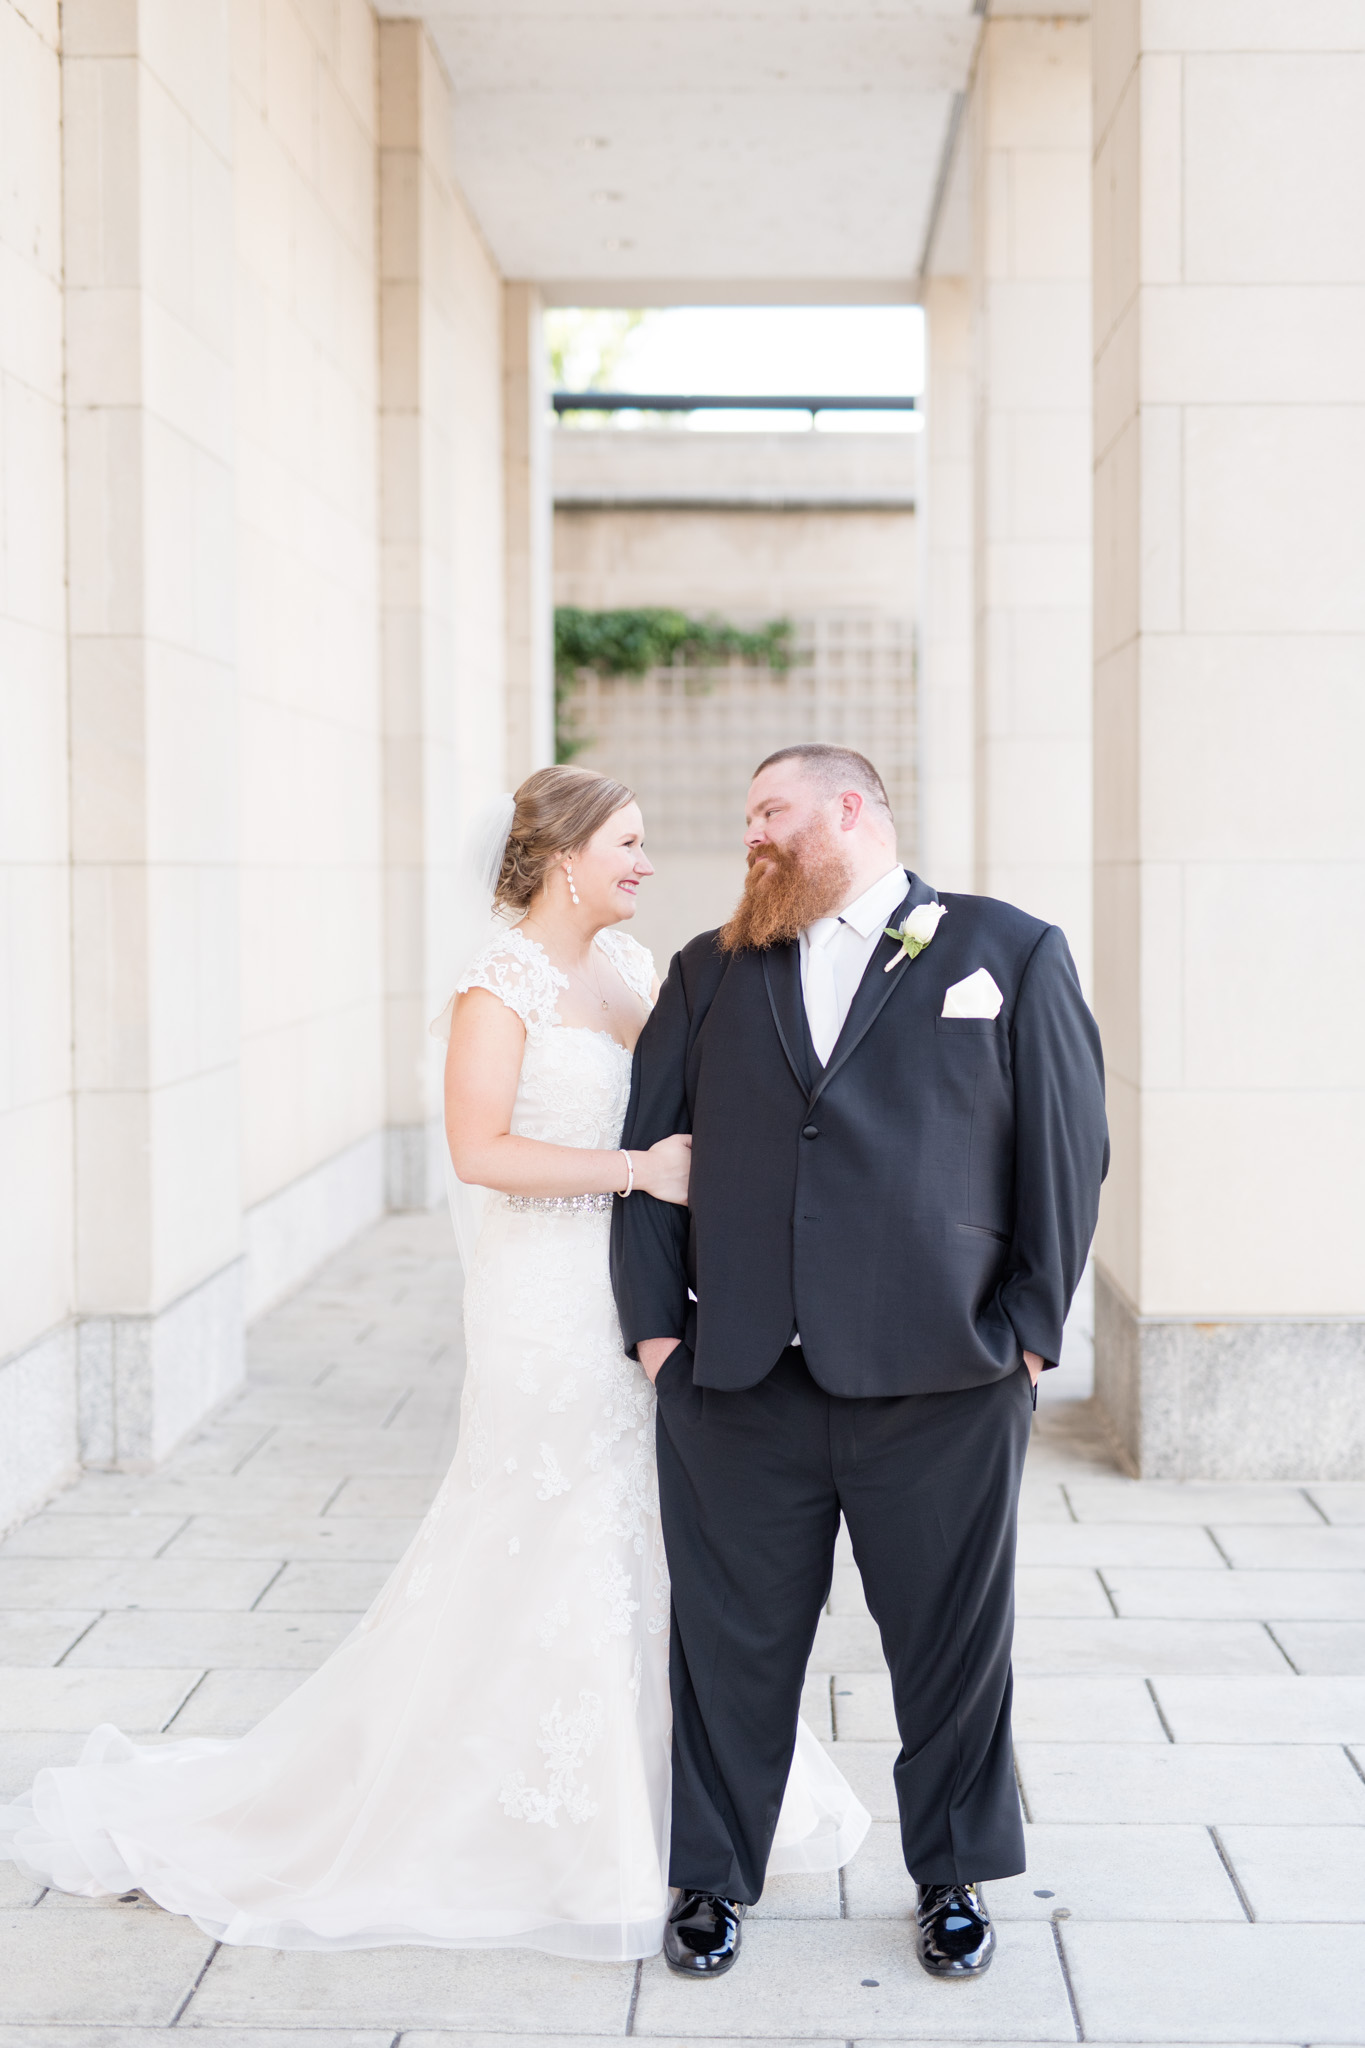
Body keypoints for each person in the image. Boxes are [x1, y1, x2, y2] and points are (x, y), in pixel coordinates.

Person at [0, 765, 867, 1956]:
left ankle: (667, 1794)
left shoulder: (632, 970)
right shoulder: (496, 983)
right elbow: (479, 1148)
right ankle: (537, 1817)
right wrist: (637, 1171)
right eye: (629, 842)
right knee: (548, 1521)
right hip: (542, 1299)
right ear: (566, 856)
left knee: (646, 1536)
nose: (647, 864)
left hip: (634, 1290)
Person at [612, 743, 1108, 1980]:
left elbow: (1069, 1148)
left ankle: (952, 1877)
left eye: (770, 810)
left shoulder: (1010, 952)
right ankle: (713, 1879)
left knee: (952, 1643)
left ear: (851, 810)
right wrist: (655, 1333)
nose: (753, 835)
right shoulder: (708, 970)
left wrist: (1032, 1332)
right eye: (745, 817)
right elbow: (650, 1152)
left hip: (946, 1375)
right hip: (735, 1378)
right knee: (728, 1644)